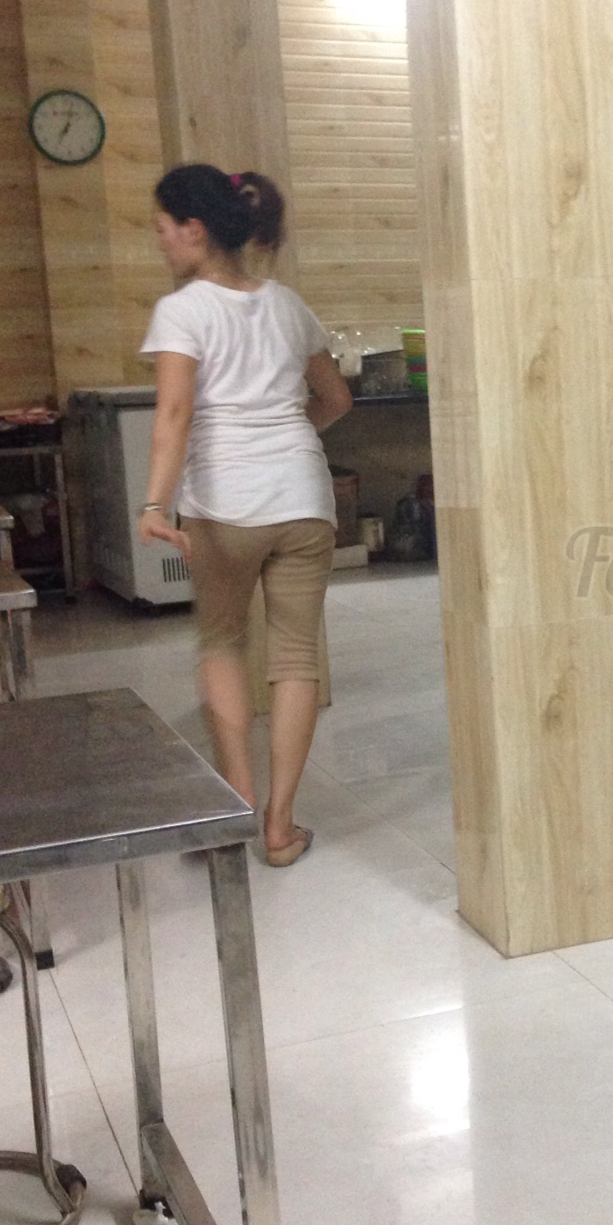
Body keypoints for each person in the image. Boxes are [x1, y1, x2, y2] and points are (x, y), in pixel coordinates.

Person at [138, 164, 353, 867]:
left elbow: (175, 413)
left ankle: (234, 810)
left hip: (224, 506)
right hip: (304, 500)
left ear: (195, 230)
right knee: (295, 658)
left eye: (163, 229)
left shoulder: (183, 310)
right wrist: (286, 445)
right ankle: (280, 828)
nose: (160, 241)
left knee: (222, 644)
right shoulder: (288, 305)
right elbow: (336, 400)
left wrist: (154, 504)